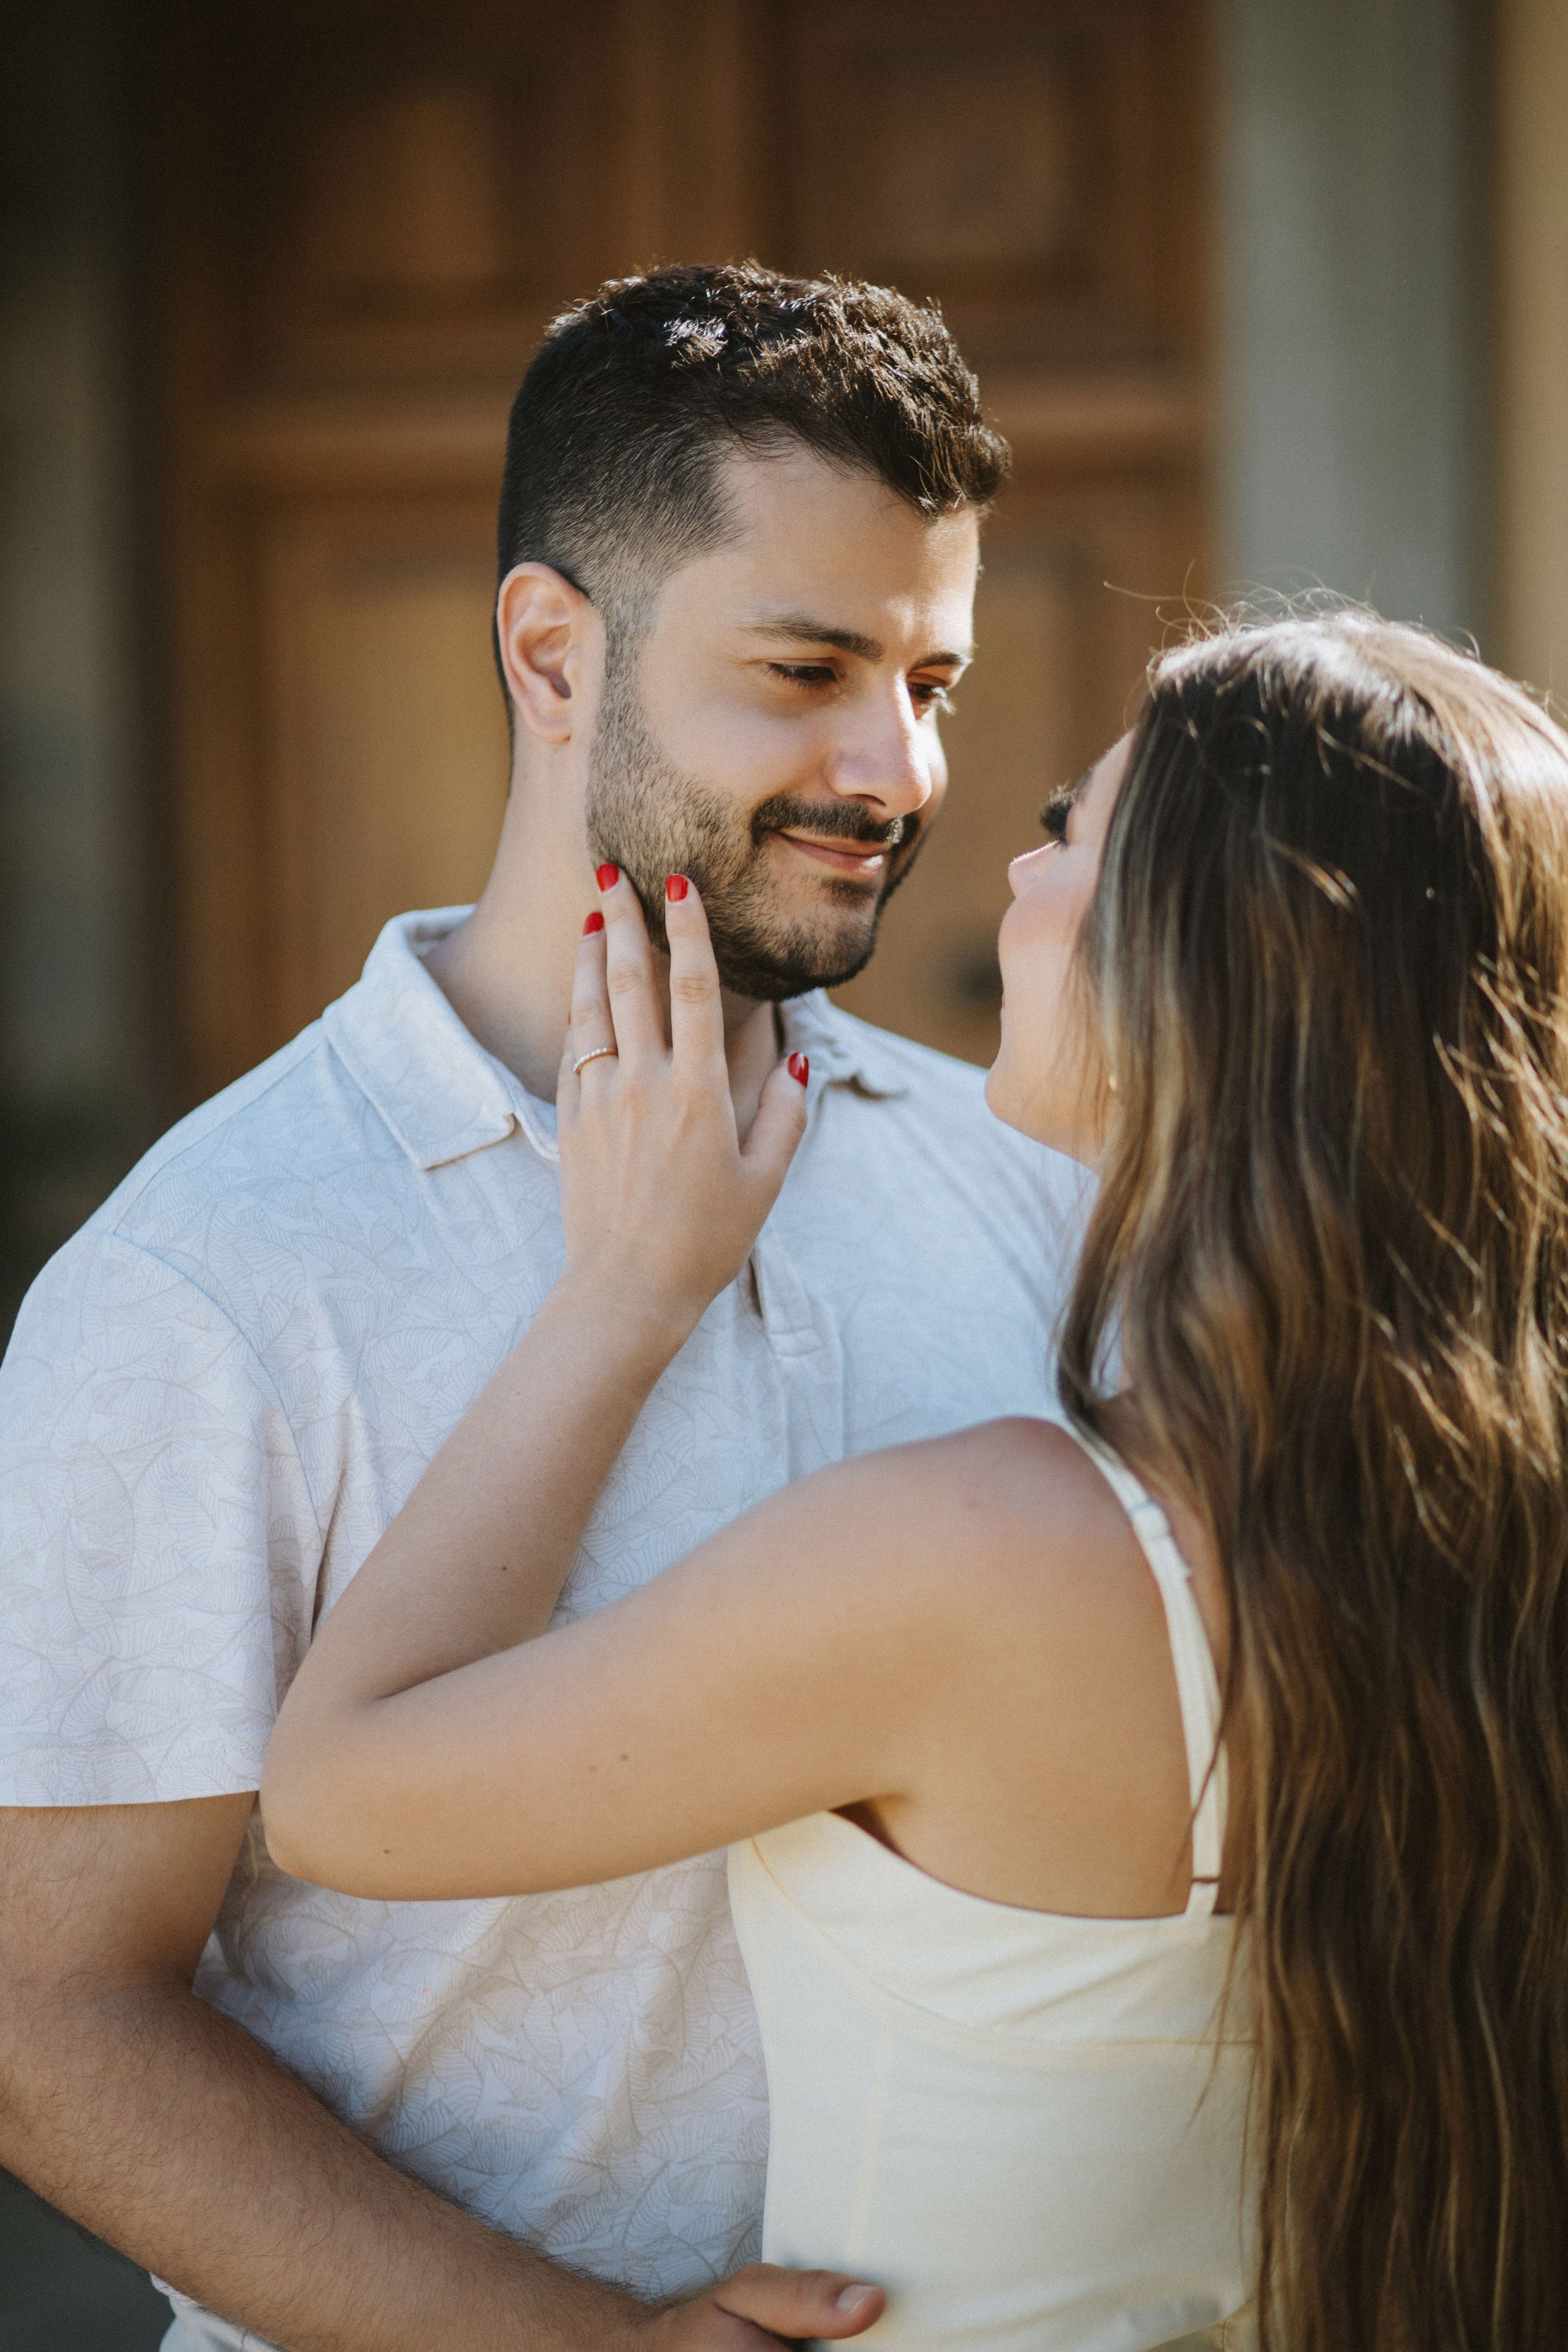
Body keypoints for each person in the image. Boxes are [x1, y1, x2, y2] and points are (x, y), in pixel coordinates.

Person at [0, 265, 1090, 2351]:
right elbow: (52, 2021)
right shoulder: (203, 1277)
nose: (899, 765)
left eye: (933, 681)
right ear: (550, 651)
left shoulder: (1027, 1175)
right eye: (807, 667)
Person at [265, 611, 1568, 2351]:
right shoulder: (1499, 1525)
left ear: (1198, 964)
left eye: (1065, 832)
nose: (1007, 875)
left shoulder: (992, 1557)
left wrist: (624, 1299)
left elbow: (343, 1797)